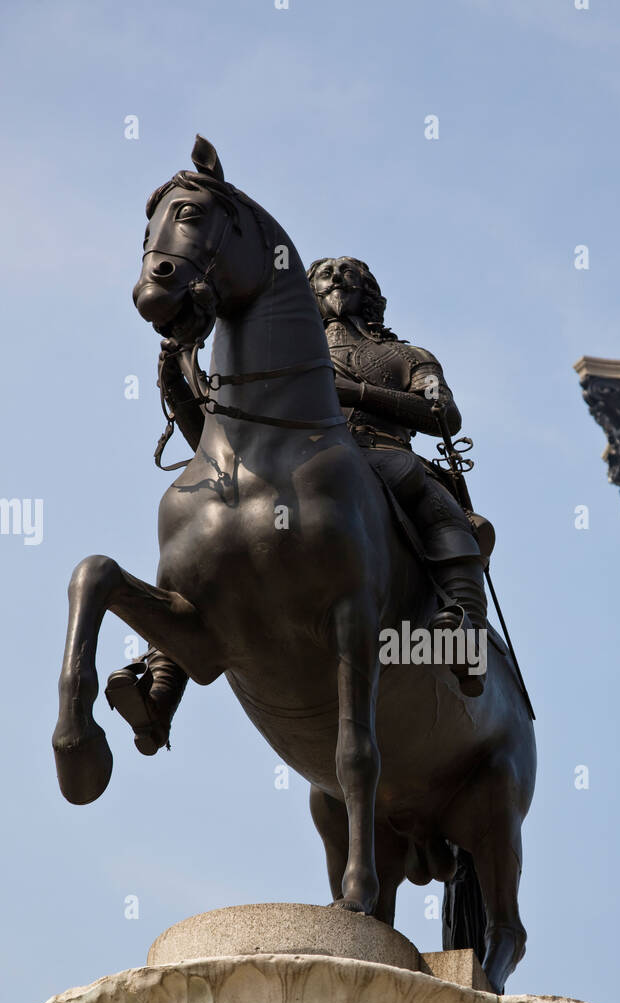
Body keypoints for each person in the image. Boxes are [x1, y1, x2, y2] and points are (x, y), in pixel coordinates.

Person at [105, 257, 488, 755]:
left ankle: (465, 627)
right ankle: (161, 684)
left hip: (381, 455)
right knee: (211, 522)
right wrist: (178, 384)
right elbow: (215, 437)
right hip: (298, 463)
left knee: (429, 494)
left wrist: (353, 392)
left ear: (369, 291)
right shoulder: (282, 355)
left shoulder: (408, 355)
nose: (336, 280)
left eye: (349, 275)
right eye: (325, 274)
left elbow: (442, 413)